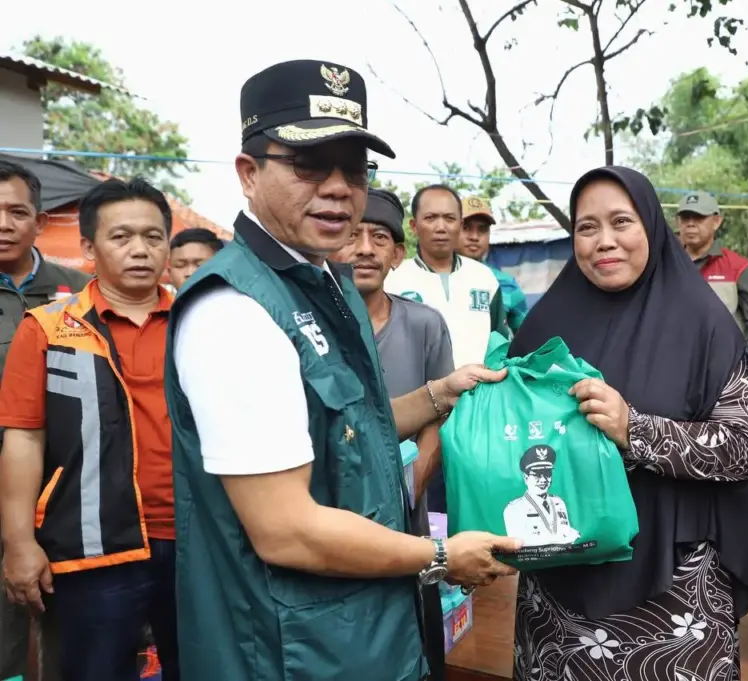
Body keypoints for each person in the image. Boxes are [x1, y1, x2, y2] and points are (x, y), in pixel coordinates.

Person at [165, 60, 520, 681]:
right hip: (289, 650)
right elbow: (286, 530)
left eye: (354, 169)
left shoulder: (325, 283)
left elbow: (356, 434)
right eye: (309, 165)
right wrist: (439, 554)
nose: (337, 188)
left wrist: (443, 390)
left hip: (362, 633)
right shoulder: (235, 313)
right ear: (248, 174)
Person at [508, 166, 748, 681]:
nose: (605, 241)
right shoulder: (544, 325)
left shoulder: (702, 324)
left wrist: (635, 428)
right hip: (560, 589)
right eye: (587, 227)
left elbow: (744, 448)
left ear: (650, 226)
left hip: (673, 591)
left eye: (621, 221)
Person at [0, 177, 179, 681]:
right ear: (87, 248)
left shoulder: (198, 320)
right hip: (92, 546)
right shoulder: (48, 327)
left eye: (153, 236)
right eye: (121, 237)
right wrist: (18, 544)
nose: (140, 250)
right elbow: (23, 439)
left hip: (197, 540)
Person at [331, 186, 454, 679]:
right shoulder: (312, 327)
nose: (364, 248)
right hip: (334, 525)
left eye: (379, 237)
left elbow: (438, 420)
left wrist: (410, 487)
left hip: (410, 520)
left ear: (398, 253)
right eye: (352, 234)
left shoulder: (424, 324)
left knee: (419, 641)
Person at [0, 160, 88, 681]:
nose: (4, 224)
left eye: (17, 212)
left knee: (66, 635)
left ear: (40, 221)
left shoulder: (80, 293)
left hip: (63, 494)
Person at [385, 184, 508, 367]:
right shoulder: (393, 280)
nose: (440, 227)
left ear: (459, 225)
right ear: (414, 226)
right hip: (420, 393)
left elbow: (500, 342)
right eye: (430, 218)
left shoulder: (484, 277)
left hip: (481, 391)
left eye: (450, 218)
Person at [676, 190, 748, 358]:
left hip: (722, 365)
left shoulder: (736, 267)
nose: (690, 224)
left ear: (716, 221)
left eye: (699, 217)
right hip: (675, 361)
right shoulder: (664, 265)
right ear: (677, 222)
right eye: (685, 218)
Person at [457, 195, 528, 333]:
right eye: (466, 228)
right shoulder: (435, 279)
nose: (474, 237)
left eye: (482, 229)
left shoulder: (505, 283)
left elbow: (524, 337)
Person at [502, 445, 579, 547]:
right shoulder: (514, 509)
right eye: (537, 474)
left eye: (547, 473)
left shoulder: (558, 503)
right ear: (526, 478)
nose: (543, 480)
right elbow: (519, 545)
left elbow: (566, 531)